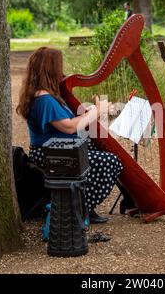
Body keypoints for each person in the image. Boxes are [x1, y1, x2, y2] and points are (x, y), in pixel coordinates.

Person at [16, 47, 123, 224]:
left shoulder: (48, 95)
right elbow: (69, 128)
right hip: (51, 155)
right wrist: (97, 111)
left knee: (96, 149)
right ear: (50, 69)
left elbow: (69, 121)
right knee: (110, 161)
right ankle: (79, 208)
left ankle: (81, 205)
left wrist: (88, 113)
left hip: (62, 151)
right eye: (58, 66)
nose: (61, 71)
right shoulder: (44, 99)